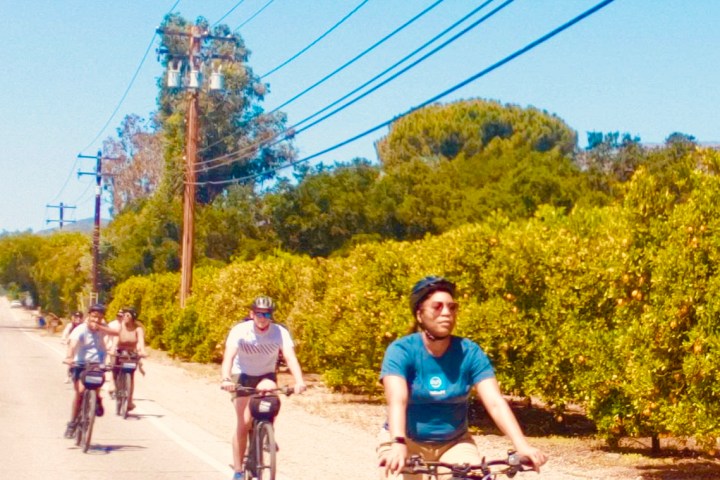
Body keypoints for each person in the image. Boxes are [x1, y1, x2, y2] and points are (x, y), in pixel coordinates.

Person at [378, 276, 547, 479]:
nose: (446, 313)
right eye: (437, 307)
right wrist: (398, 443)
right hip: (406, 440)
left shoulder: (469, 352)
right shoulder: (401, 350)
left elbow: (495, 402)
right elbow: (397, 399)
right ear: (419, 315)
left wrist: (522, 446)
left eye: (452, 307)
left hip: (454, 443)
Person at [220, 296, 307, 480]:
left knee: (270, 400)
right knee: (243, 423)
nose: (262, 317)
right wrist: (226, 378)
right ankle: (238, 469)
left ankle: (266, 429)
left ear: (271, 315)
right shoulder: (240, 331)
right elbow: (228, 357)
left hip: (265, 374)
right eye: (259, 313)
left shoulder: (279, 332)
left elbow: (290, 358)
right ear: (252, 314)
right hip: (241, 374)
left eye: (266, 314)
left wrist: (299, 381)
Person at [63, 304, 118, 438]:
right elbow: (73, 344)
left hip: (97, 364)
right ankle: (72, 424)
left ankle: (97, 399)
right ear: (89, 316)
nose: (96, 320)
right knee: (80, 392)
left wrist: (100, 328)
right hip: (80, 364)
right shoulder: (80, 329)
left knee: (96, 384)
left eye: (99, 317)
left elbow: (116, 333)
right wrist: (70, 358)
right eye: (94, 317)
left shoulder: (102, 328)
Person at [109, 307, 147, 411]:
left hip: (131, 353)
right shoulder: (120, 326)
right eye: (124, 315)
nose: (125, 317)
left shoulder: (138, 329)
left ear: (133, 317)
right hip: (120, 351)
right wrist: (112, 349)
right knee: (114, 370)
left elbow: (141, 340)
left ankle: (129, 401)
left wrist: (142, 351)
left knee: (131, 375)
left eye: (128, 315)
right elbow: (116, 338)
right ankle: (117, 390)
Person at [61, 311, 84, 383]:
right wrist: (64, 339)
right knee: (70, 360)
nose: (78, 319)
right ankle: (67, 376)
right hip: (71, 345)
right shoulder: (70, 325)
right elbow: (65, 332)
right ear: (73, 318)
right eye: (76, 317)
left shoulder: (83, 326)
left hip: (80, 346)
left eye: (79, 317)